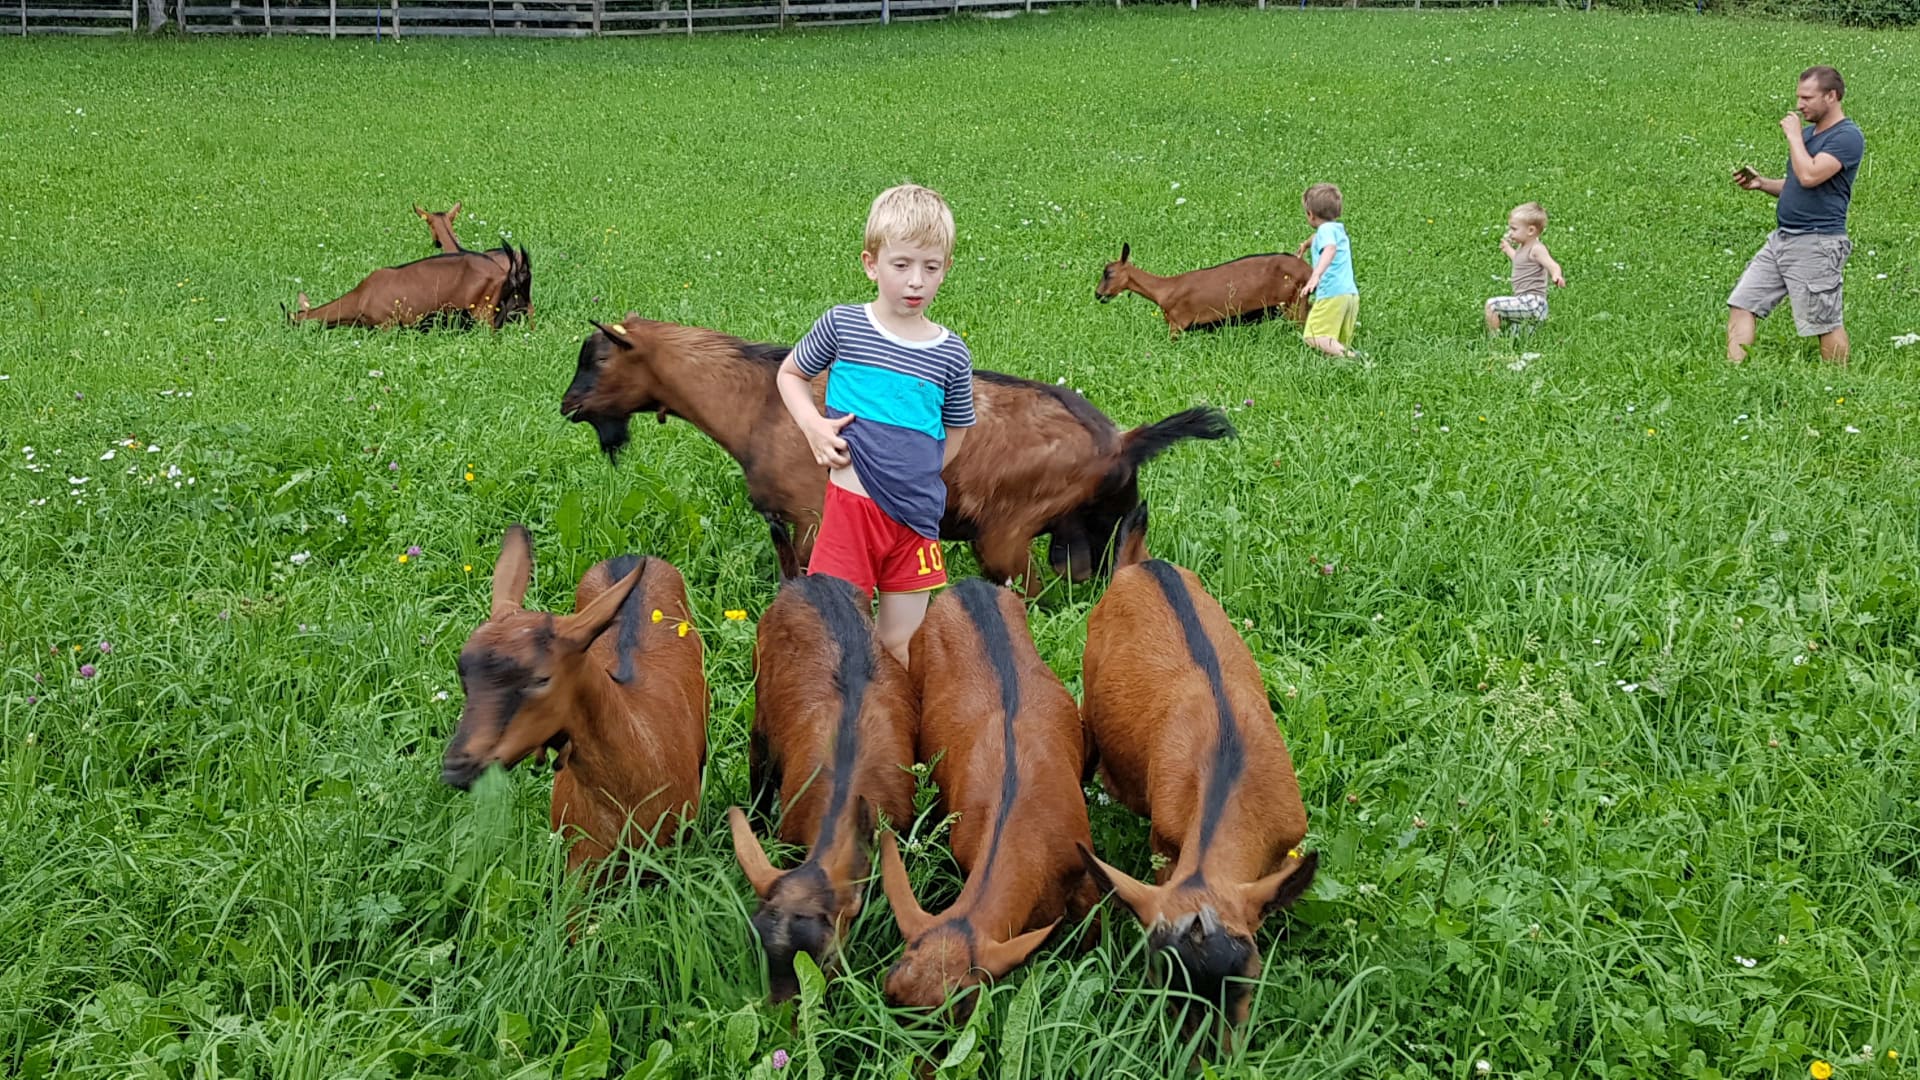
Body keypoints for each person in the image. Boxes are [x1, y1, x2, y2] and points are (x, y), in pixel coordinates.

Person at [776, 183, 975, 668]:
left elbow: (956, 428)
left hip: (916, 520)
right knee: (833, 630)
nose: (916, 282)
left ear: (947, 268)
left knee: (900, 644)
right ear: (871, 264)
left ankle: (895, 717)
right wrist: (814, 426)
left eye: (931, 268)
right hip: (853, 514)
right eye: (901, 265)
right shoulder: (844, 326)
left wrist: (918, 470)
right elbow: (790, 374)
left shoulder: (951, 353)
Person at [1727, 65, 1864, 367]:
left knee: (1824, 321)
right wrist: (1762, 183)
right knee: (1742, 302)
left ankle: (1838, 382)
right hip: (1783, 238)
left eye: (1807, 98)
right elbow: (1795, 184)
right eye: (1799, 97)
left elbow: (1810, 176)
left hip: (1817, 241)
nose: (1799, 105)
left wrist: (1793, 137)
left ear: (1831, 96)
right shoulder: (1808, 135)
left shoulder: (1847, 137)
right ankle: (1732, 375)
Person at [1296, 183, 1359, 358]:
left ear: (1310, 214)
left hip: (1332, 294)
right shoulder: (1336, 229)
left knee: (1313, 336)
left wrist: (1315, 275)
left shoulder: (1325, 232)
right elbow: (1317, 237)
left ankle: (1354, 359)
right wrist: (1306, 244)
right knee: (1334, 344)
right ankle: (1350, 363)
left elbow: (1329, 248)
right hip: (1349, 296)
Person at [1485, 202, 1566, 334]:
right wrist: (1508, 249)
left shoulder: (1537, 248)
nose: (1510, 233)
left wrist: (1556, 275)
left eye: (1514, 229)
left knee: (1492, 305)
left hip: (1533, 302)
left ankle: (1494, 340)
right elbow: (1519, 261)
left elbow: (1552, 264)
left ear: (1530, 231)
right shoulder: (1523, 247)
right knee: (1515, 334)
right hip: (1525, 300)